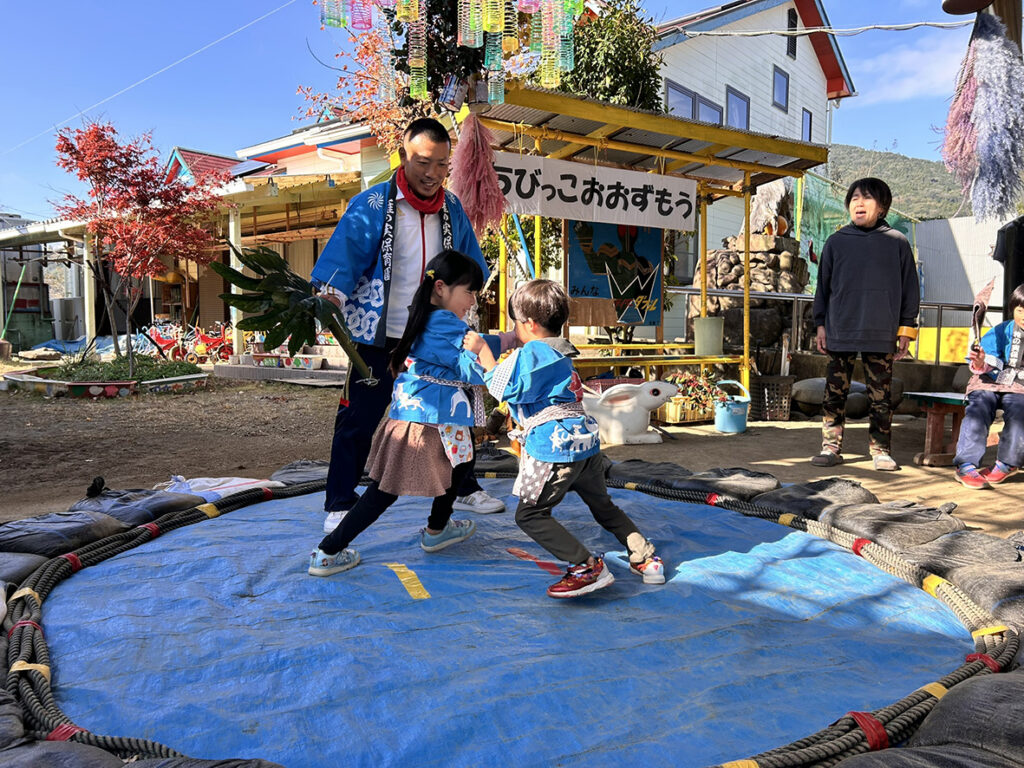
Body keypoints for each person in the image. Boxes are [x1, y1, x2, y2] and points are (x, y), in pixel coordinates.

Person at [311, 117, 505, 534]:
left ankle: (464, 487)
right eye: (423, 162)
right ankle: (340, 499)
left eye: (441, 164)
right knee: (358, 417)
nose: (433, 173)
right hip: (378, 334)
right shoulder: (371, 204)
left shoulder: (453, 209)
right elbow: (343, 259)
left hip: (434, 335)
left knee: (455, 412)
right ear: (403, 155)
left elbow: (471, 265)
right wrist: (331, 298)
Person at [471, 279, 664, 598]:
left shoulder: (533, 352)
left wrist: (482, 351)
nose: (513, 330)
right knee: (603, 506)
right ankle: (645, 557)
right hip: (585, 444)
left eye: (515, 323)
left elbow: (505, 389)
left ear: (530, 324)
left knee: (530, 515)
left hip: (556, 448)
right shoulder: (560, 350)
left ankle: (586, 566)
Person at [309, 251, 497, 576]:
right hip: (427, 422)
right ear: (441, 287)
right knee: (384, 492)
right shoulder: (446, 323)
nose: (472, 301)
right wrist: (484, 351)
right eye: (469, 292)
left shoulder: (425, 315)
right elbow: (471, 370)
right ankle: (328, 550)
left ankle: (438, 529)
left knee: (461, 465)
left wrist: (499, 341)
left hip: (435, 419)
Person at [810, 177, 919, 471]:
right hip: (840, 329)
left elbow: (910, 289)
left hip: (881, 331)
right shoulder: (836, 242)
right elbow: (822, 288)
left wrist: (906, 330)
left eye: (867, 198)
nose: (859, 203)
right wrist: (820, 324)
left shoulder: (897, 242)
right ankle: (830, 448)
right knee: (834, 394)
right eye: (854, 198)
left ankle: (881, 451)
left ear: (882, 207)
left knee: (880, 396)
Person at [952, 284, 1024, 489]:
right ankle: (966, 465)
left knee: (1020, 408)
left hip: (1020, 388)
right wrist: (979, 361)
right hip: (989, 381)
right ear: (1013, 309)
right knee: (979, 405)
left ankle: (1007, 463)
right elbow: (981, 363)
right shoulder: (1000, 331)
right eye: (1020, 310)